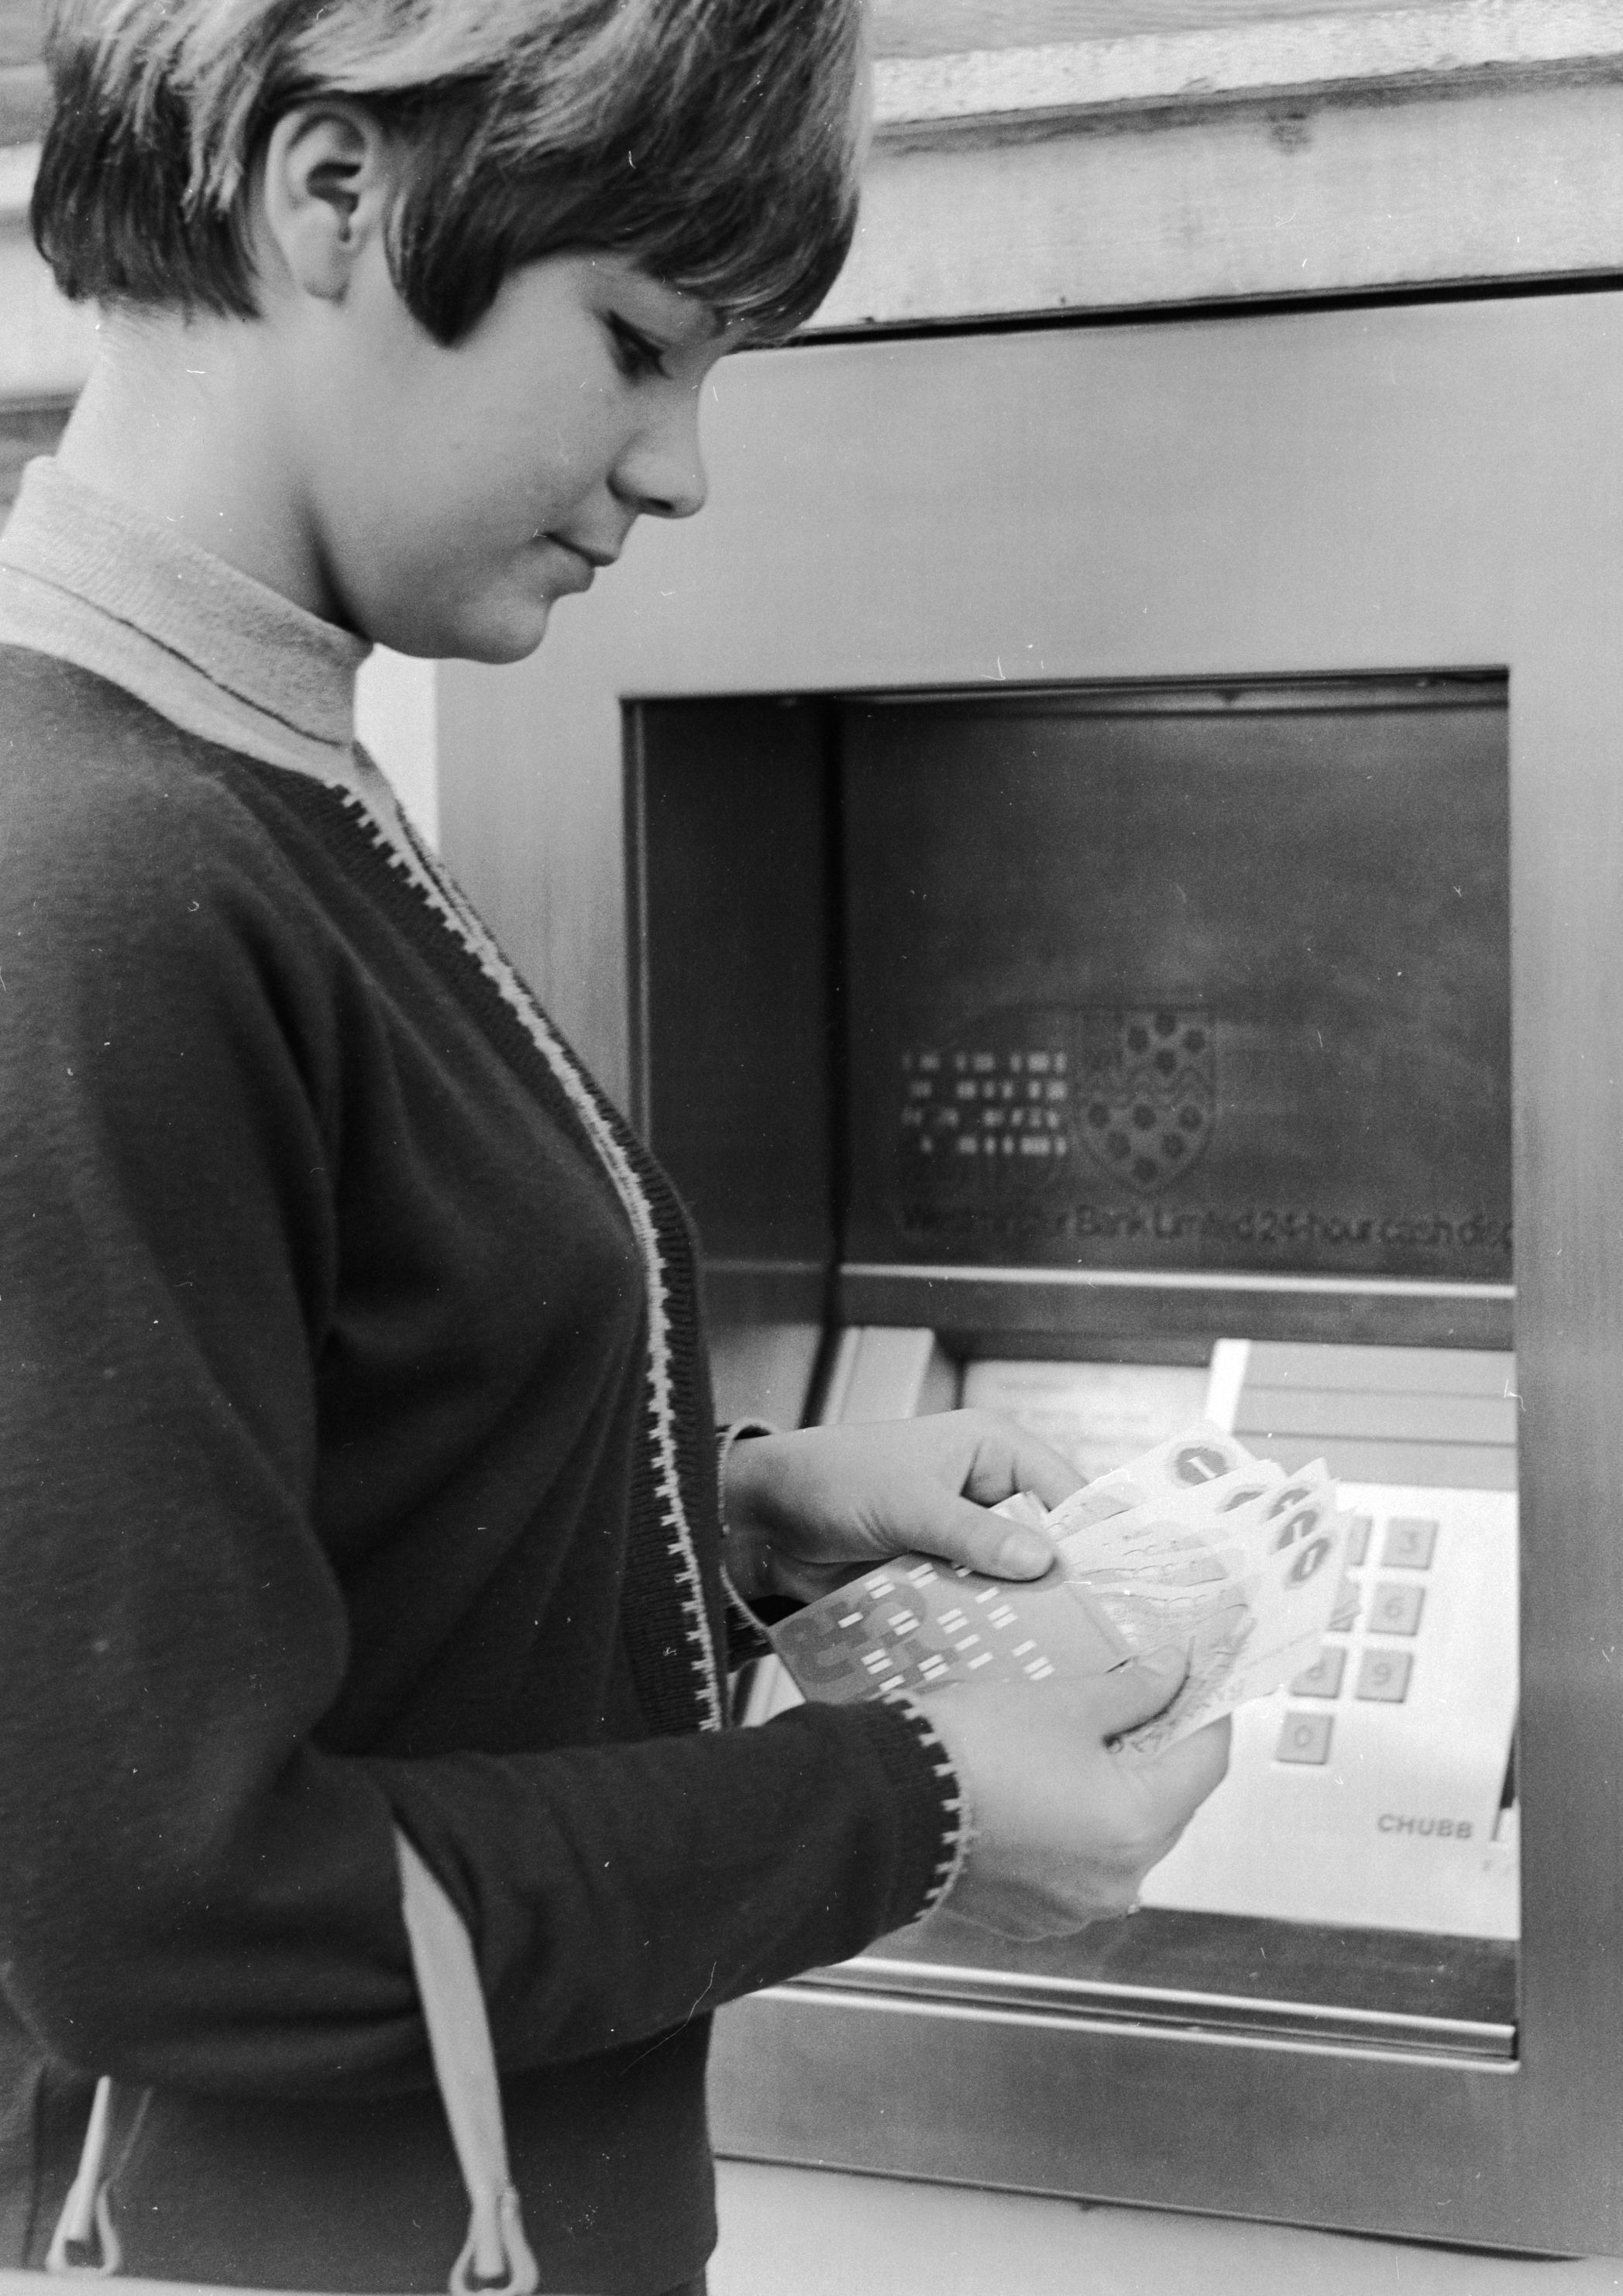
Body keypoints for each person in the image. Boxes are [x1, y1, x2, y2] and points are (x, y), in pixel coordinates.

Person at [0, 2, 1230, 2287]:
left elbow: (303, 1485)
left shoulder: (252, 775)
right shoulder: (78, 871)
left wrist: (743, 1507)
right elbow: (171, 1909)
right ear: (332, 192)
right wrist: (910, 1805)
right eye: (641, 337)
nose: (680, 470)